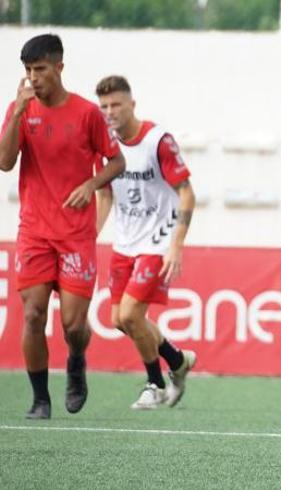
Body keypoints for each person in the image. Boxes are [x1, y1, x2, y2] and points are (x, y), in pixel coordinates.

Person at [0, 34, 126, 419]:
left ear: (59, 67)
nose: (33, 78)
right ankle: (40, 399)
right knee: (34, 314)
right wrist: (19, 113)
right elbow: (5, 163)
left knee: (73, 324)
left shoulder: (86, 113)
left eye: (40, 69)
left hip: (75, 235)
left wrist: (91, 184)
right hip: (35, 231)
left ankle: (76, 360)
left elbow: (116, 161)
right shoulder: (20, 110)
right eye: (27, 71)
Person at [94, 75, 197, 410]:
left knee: (131, 314)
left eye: (116, 105)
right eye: (104, 106)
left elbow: (187, 194)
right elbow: (106, 196)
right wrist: (88, 239)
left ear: (132, 105)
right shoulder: (105, 144)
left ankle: (154, 383)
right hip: (125, 243)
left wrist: (176, 246)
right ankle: (177, 360)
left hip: (157, 241)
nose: (110, 112)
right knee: (119, 320)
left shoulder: (157, 141)